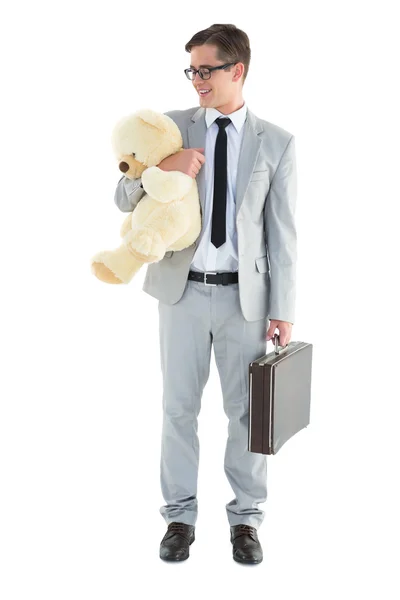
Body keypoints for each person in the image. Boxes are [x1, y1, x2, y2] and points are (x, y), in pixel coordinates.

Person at [114, 23, 297, 565]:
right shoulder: (170, 128)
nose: (196, 79)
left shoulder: (277, 142)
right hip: (182, 295)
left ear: (236, 70)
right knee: (178, 410)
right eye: (191, 69)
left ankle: (246, 519)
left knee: (248, 415)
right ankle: (179, 517)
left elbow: (283, 235)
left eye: (205, 69)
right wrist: (162, 170)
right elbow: (122, 195)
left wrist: (283, 310)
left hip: (247, 300)